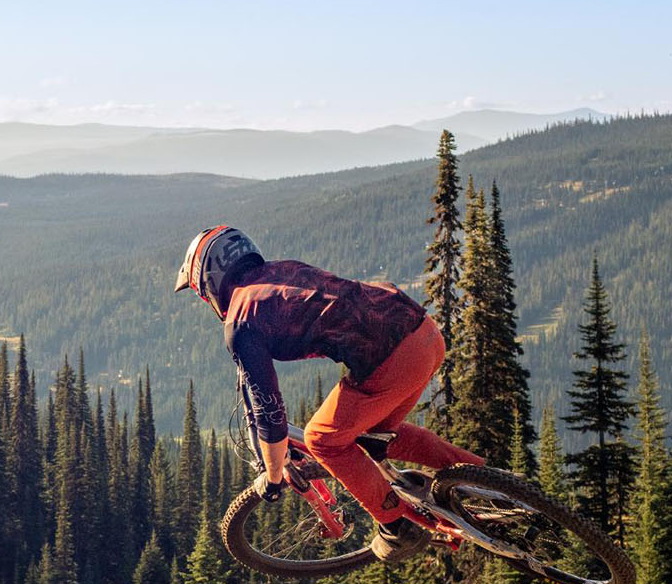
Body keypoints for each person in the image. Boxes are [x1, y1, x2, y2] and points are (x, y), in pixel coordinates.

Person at [174, 225, 483, 562]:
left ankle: (396, 528)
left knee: (322, 439)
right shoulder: (281, 272)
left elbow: (271, 414)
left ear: (210, 283)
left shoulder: (240, 320)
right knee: (377, 434)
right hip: (424, 333)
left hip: (394, 357)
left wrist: (274, 478)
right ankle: (490, 481)